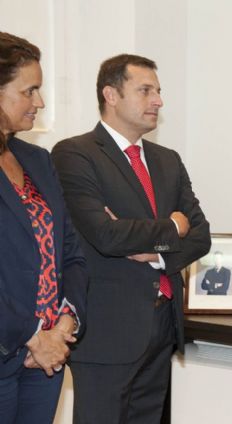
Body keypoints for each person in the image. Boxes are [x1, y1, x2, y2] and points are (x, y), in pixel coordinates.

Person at [51, 54, 211, 423]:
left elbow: (201, 235)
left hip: (162, 326)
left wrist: (155, 255)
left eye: (158, 91)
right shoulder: (75, 154)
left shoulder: (167, 160)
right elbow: (106, 235)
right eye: (145, 90)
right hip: (107, 331)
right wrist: (172, 228)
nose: (158, 101)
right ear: (111, 95)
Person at [0, 31, 88, 423]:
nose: (40, 102)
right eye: (29, 91)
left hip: (47, 357)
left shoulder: (37, 159)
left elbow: (70, 252)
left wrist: (65, 323)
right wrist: (33, 336)